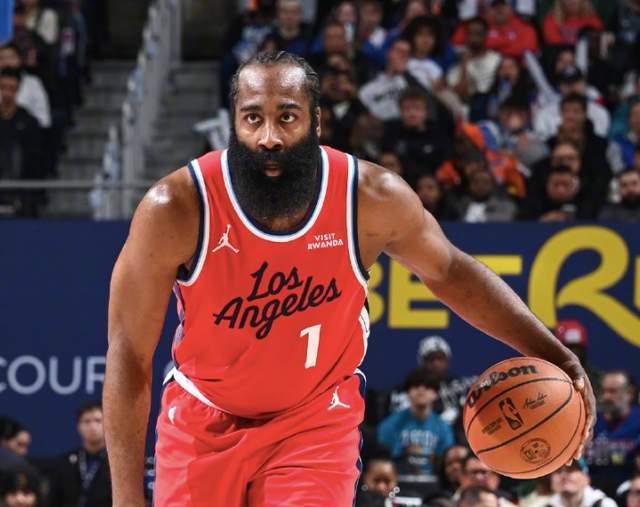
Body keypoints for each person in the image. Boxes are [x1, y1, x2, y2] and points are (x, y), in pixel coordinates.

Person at [104, 51, 595, 506]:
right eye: (252, 118)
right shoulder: (176, 208)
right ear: (234, 123)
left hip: (314, 420)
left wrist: (556, 353)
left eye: (287, 117)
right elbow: (128, 357)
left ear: (316, 121)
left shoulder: (371, 197)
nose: (269, 136)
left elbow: (449, 270)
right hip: (204, 417)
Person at [377, 369, 453, 475]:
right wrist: (404, 453)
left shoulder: (444, 427)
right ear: (407, 392)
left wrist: (435, 458)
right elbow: (383, 460)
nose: (421, 390)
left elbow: (447, 461)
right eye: (416, 386)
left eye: (427, 387)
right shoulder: (389, 425)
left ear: (436, 394)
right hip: (399, 479)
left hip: (433, 481)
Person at [587, 371, 640, 498]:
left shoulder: (637, 421)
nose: (606, 396)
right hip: (593, 498)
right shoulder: (590, 422)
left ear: (630, 393)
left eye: (613, 391)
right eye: (604, 391)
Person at [49, 402, 111, 507]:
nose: (92, 426)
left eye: (98, 421)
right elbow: (53, 499)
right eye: (87, 421)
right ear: (79, 426)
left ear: (107, 424)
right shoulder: (64, 462)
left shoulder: (116, 464)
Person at [0, 68, 43, 216]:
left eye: (11, 89)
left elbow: (35, 159)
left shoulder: (28, 121)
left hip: (21, 191)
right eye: (3, 88)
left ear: (18, 89)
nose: (7, 93)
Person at [546, 460, 617, 507]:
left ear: (587, 478)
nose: (563, 475)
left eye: (571, 470)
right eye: (558, 471)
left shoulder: (605, 505)